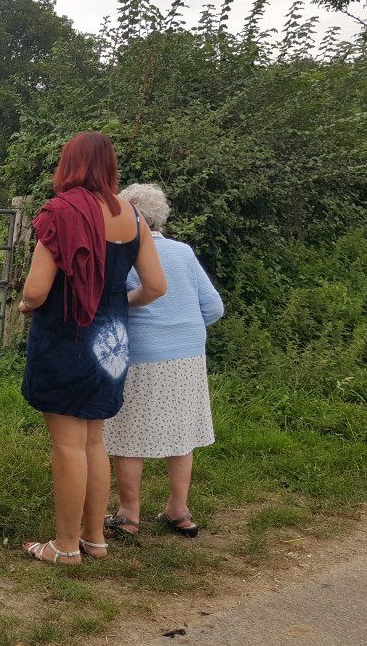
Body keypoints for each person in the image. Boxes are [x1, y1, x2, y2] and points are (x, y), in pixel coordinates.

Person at [18, 132, 167, 564]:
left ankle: (65, 547)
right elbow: (156, 286)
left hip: (67, 339)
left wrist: (27, 305)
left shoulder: (60, 212)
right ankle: (95, 539)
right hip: (113, 344)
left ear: (69, 164)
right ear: (109, 167)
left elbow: (37, 288)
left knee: (67, 444)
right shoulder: (134, 218)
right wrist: (119, 304)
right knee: (93, 442)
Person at [103, 184, 224, 540]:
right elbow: (214, 308)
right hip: (188, 354)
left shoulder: (125, 254)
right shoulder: (183, 251)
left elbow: (114, 304)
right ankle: (179, 510)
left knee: (127, 433)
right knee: (181, 430)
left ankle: (128, 514)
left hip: (141, 354)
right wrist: (181, 328)